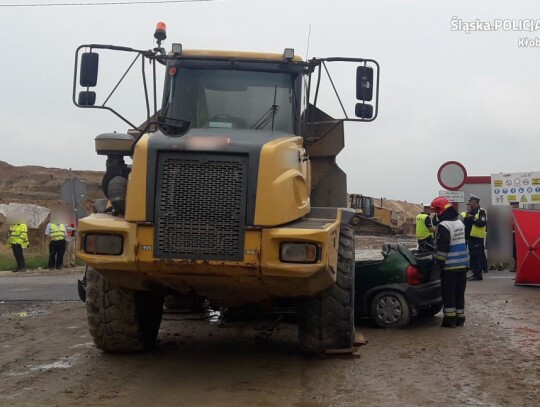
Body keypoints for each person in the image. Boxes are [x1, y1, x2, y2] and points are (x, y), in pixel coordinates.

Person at [431, 196, 469, 328]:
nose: (436, 214)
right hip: (463, 265)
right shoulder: (459, 223)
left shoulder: (443, 225)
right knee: (459, 293)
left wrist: (438, 263)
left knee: (449, 294)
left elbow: (443, 248)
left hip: (450, 267)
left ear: (440, 211)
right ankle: (460, 318)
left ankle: (450, 320)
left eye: (436, 211)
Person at [463, 195, 487, 281]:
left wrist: (472, 218)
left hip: (477, 237)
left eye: (470, 202)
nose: (469, 203)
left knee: (478, 256)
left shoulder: (481, 211)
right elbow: (465, 223)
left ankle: (478, 274)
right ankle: (475, 273)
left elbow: (482, 223)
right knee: (473, 256)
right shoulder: (470, 211)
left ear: (475, 202)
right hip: (470, 238)